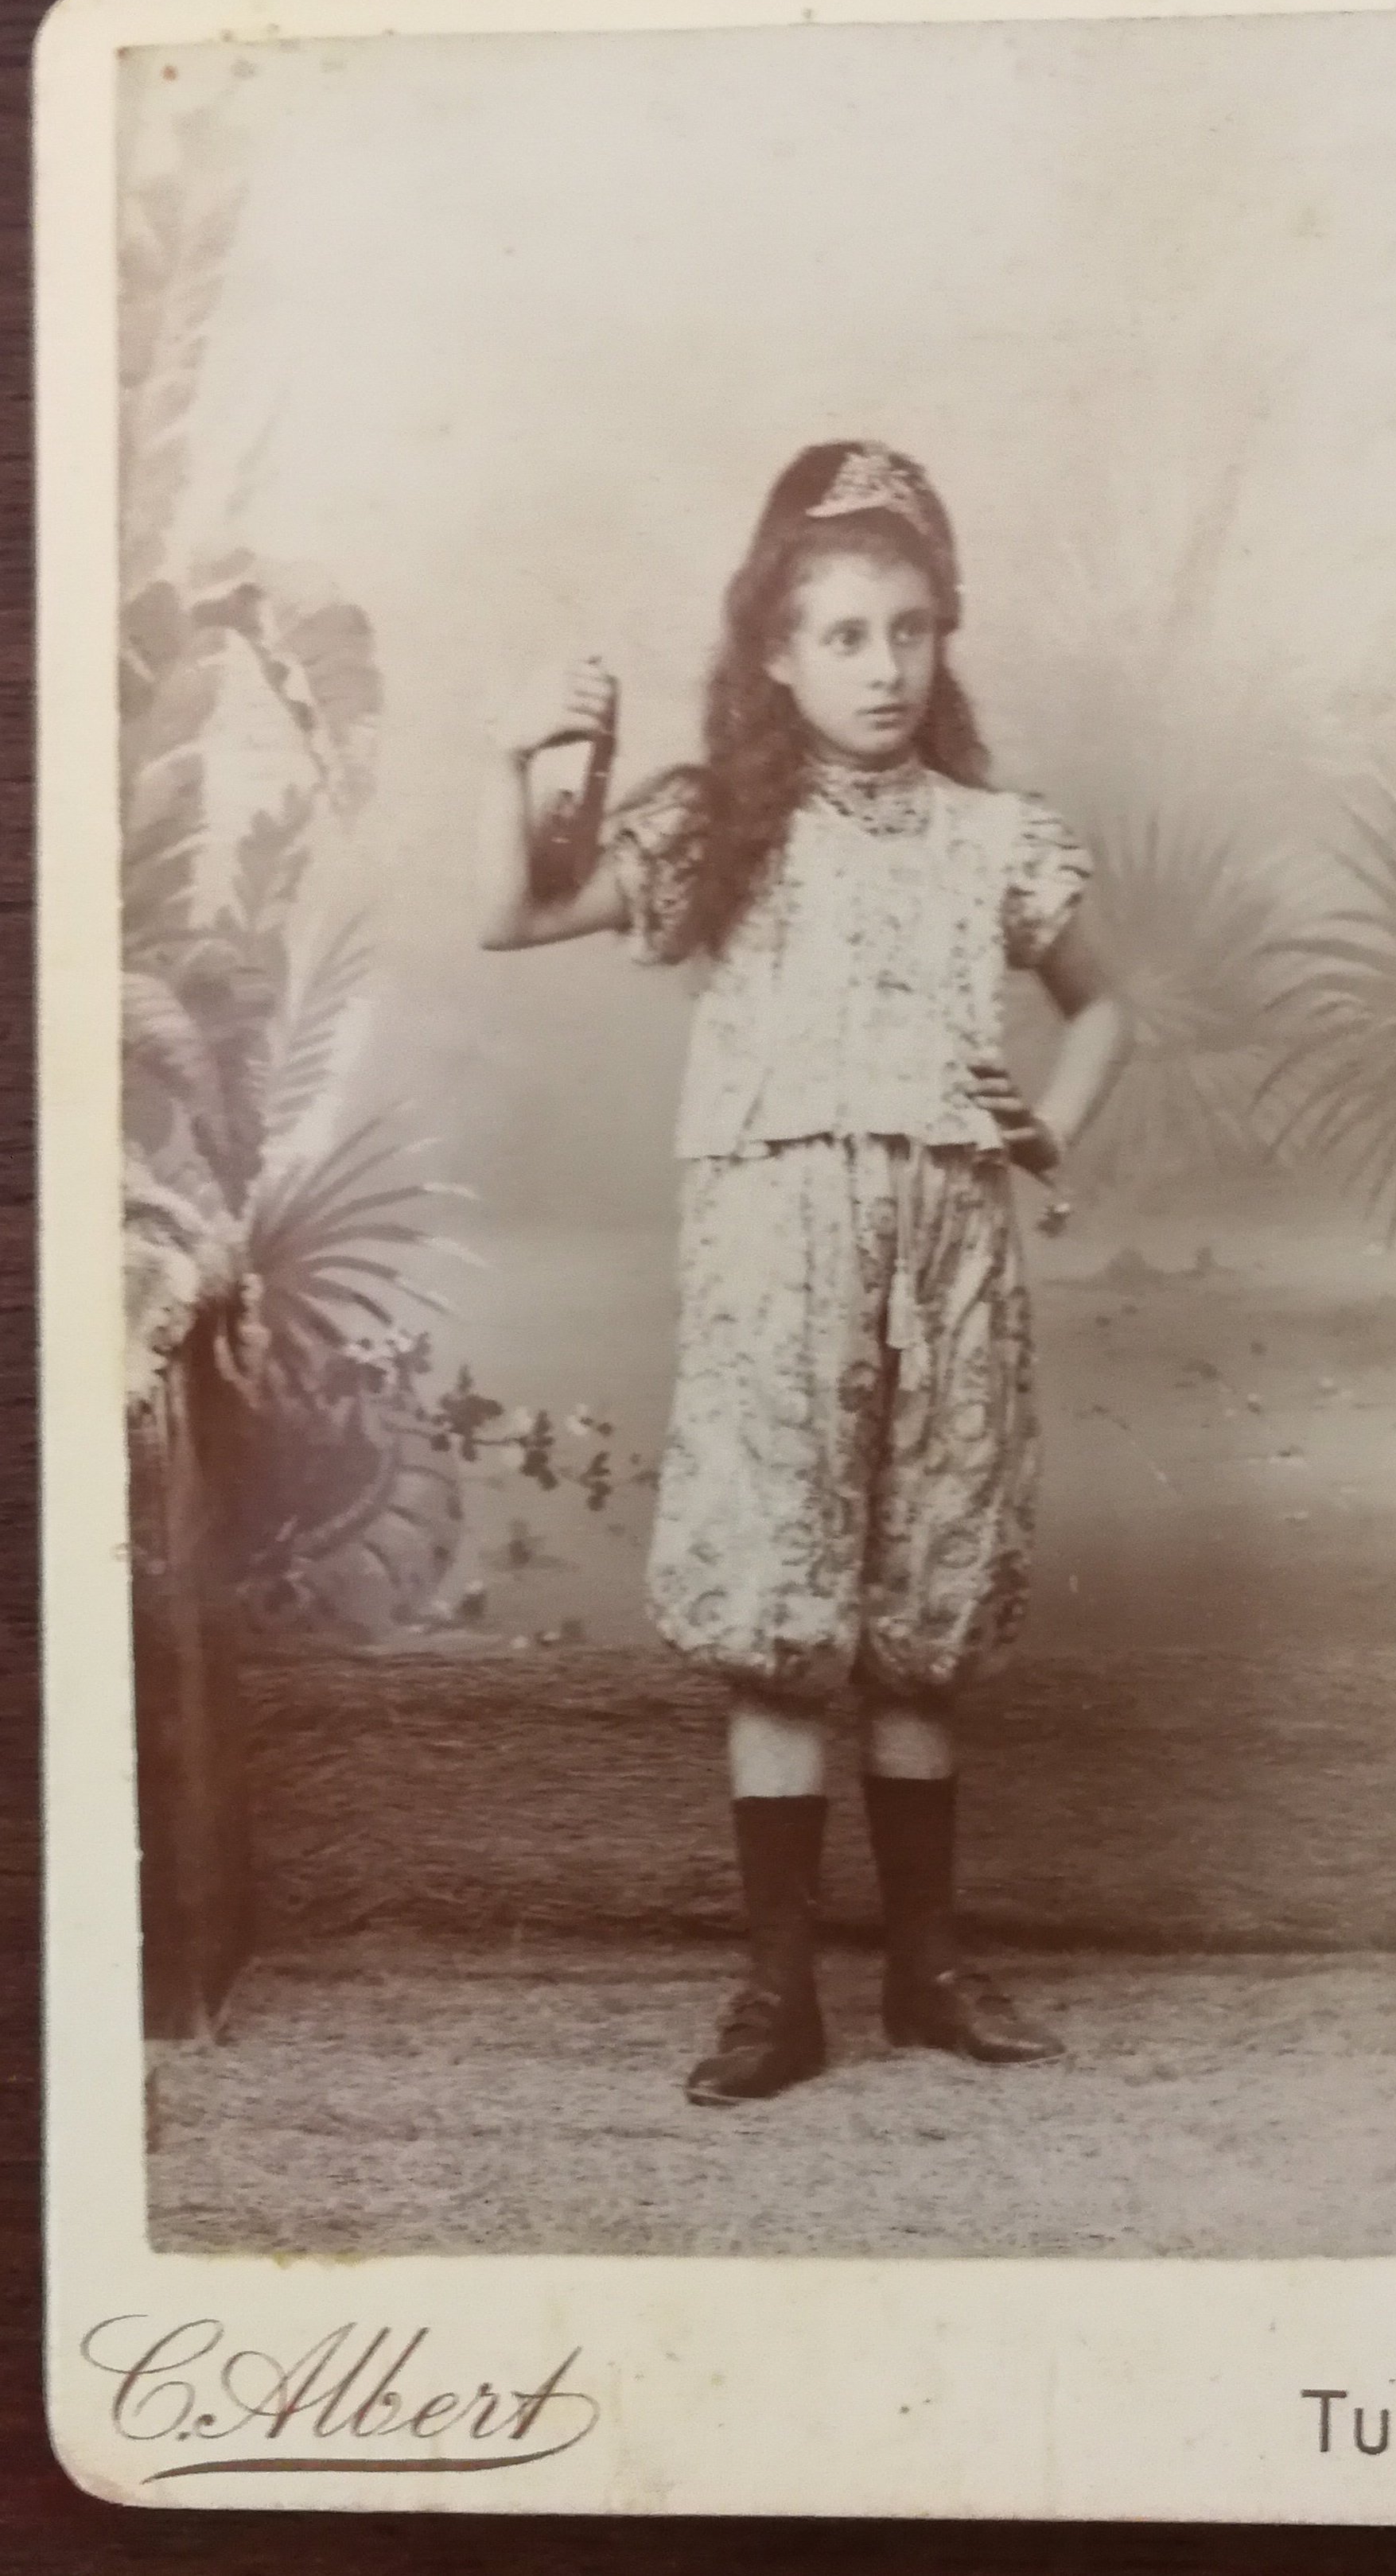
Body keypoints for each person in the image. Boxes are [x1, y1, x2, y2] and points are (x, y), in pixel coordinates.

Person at [478, 441, 1131, 2106]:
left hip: (948, 1259)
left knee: (922, 1615)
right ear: (775, 650)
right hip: (774, 1259)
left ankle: (926, 1974)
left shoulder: (997, 836)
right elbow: (520, 914)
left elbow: (1105, 1007)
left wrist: (1045, 1127)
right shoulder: (720, 827)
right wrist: (533, 761)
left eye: (911, 631)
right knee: (780, 1613)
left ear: (943, 638)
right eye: (843, 636)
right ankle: (779, 1997)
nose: (884, 668)